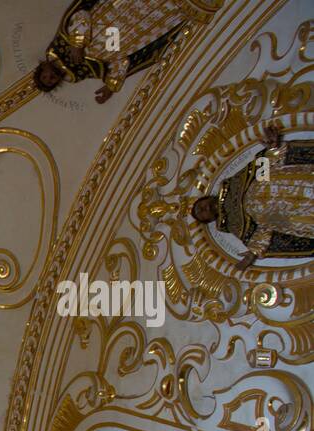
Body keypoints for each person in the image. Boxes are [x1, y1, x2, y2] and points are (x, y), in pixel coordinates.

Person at [190, 123, 314, 270]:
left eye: (201, 206)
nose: (204, 209)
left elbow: (262, 172)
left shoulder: (232, 183)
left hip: (290, 182)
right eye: (201, 213)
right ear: (209, 219)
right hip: (288, 214)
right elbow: (260, 234)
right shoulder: (232, 223)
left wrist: (272, 150)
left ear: (206, 198)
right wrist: (252, 254)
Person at [34, 0, 193, 103]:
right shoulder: (86, 70)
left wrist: (78, 43)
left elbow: (82, 15)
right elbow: (121, 62)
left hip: (114, 14)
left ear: (43, 66)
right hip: (124, 37)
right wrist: (111, 86)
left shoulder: (64, 41)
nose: (50, 78)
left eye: (45, 76)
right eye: (50, 82)